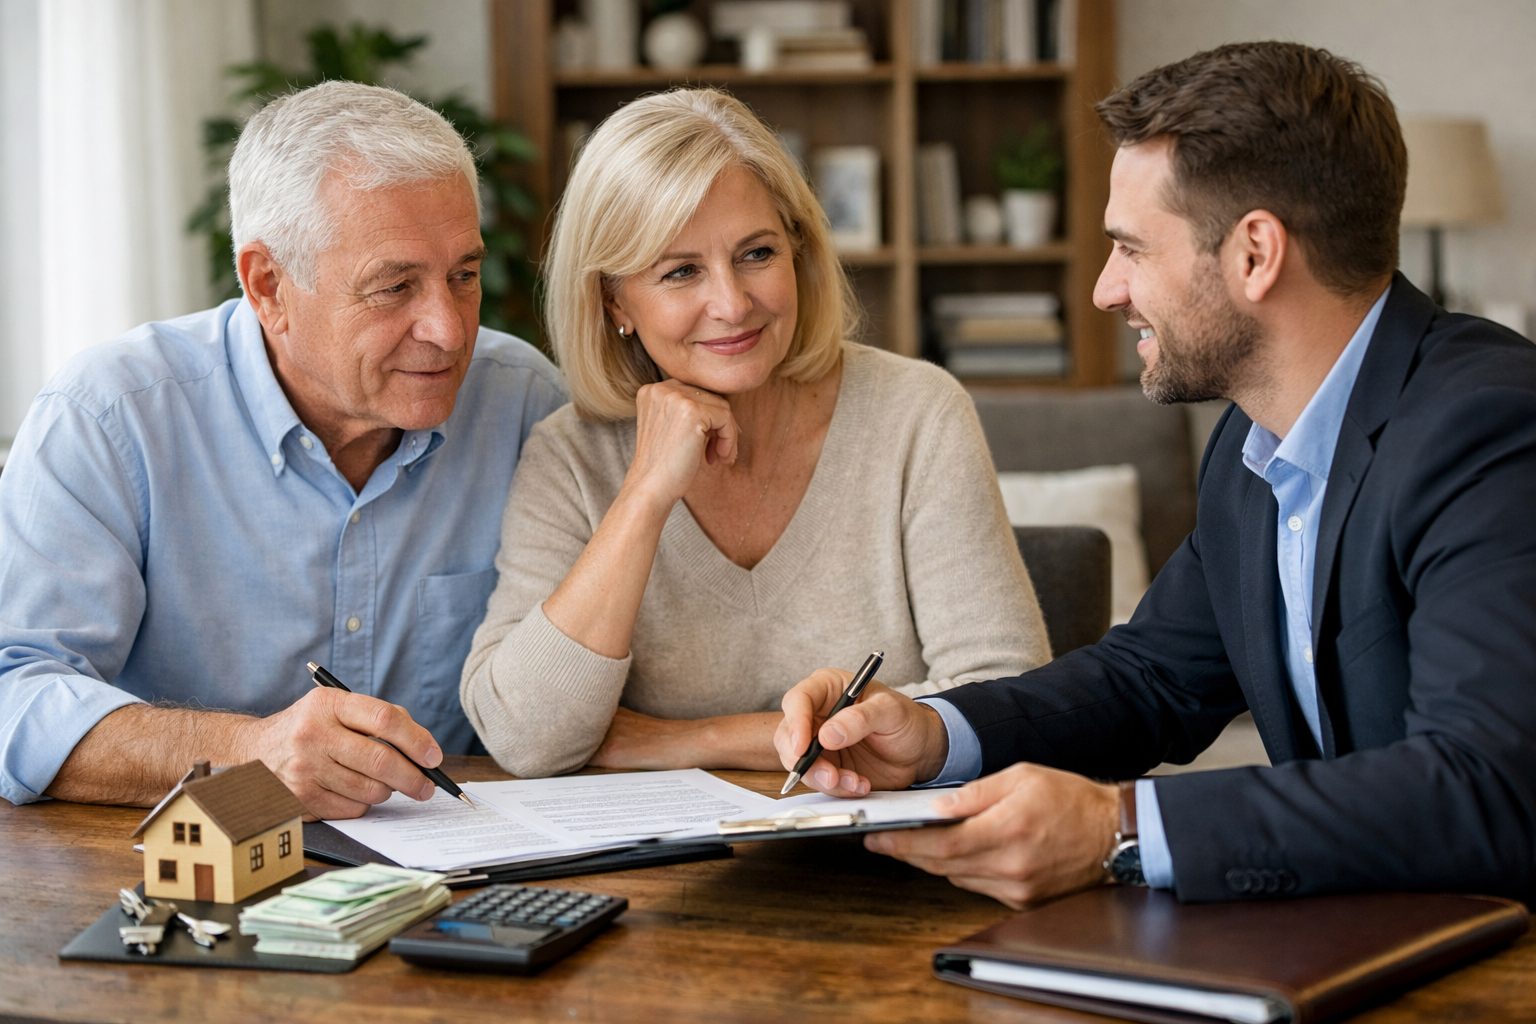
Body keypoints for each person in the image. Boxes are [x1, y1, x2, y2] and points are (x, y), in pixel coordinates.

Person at [775, 41, 1536, 907]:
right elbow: (1152, 680)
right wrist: (934, 733)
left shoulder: (1490, 430)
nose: (1105, 290)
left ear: (1255, 254)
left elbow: (1486, 788)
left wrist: (1118, 829)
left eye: (1131, 249)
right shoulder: (1254, 445)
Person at [0, 82, 565, 818]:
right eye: (395, 287)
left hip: (468, 870)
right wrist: (249, 753)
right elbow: (15, 693)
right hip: (179, 877)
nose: (450, 331)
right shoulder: (112, 416)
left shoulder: (524, 403)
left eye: (463, 276)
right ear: (268, 286)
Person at [461, 88, 1049, 778]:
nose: (733, 304)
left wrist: (679, 740)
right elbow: (526, 738)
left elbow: (1007, 700)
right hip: (668, 878)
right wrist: (645, 497)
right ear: (614, 300)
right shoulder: (569, 456)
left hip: (898, 859)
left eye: (756, 253)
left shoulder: (916, 412)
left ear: (798, 251)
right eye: (681, 271)